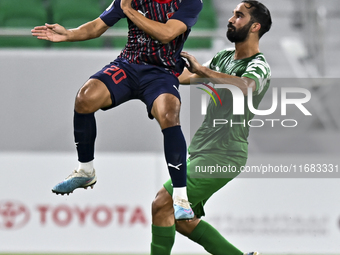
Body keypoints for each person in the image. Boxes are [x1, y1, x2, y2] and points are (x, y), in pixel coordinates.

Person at [31, 0, 203, 220]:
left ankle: (180, 199)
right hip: (128, 64)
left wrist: (129, 10)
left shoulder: (190, 2)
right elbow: (97, 26)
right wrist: (69, 34)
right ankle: (86, 171)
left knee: (169, 113)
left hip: (162, 72)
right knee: (85, 98)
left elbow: (167, 34)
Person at [150, 0, 272, 254]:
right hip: (203, 150)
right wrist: (155, 68)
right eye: (232, 13)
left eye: (239, 15)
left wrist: (204, 71)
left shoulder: (259, 66)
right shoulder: (223, 57)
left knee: (163, 204)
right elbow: (189, 77)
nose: (231, 19)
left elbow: (247, 86)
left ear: (255, 27)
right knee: (182, 221)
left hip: (225, 153)